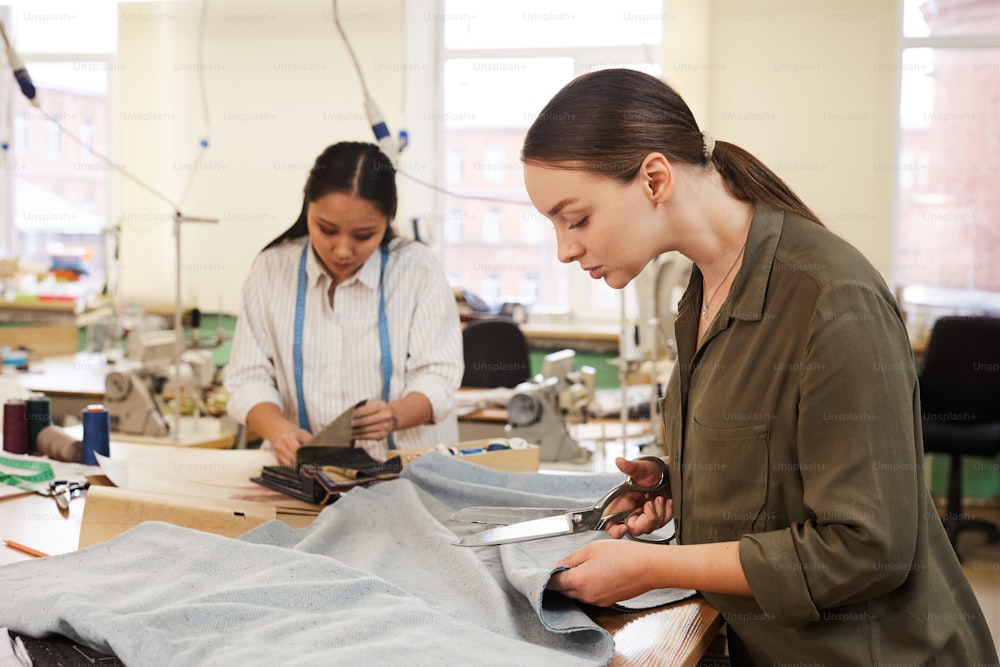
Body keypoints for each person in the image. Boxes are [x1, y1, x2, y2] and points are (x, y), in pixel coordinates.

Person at [521, 69, 997, 665]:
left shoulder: (830, 298)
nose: (564, 249)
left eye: (576, 218)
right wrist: (681, 478)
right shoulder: (705, 292)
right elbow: (788, 460)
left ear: (654, 178)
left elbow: (865, 547)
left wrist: (651, 567)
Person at [225, 142, 463, 465]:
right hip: (302, 474)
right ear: (307, 209)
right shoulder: (271, 271)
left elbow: (438, 376)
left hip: (406, 473)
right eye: (326, 230)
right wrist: (280, 431)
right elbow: (248, 379)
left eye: (364, 235)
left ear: (388, 221)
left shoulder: (419, 271)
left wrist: (395, 414)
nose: (342, 250)